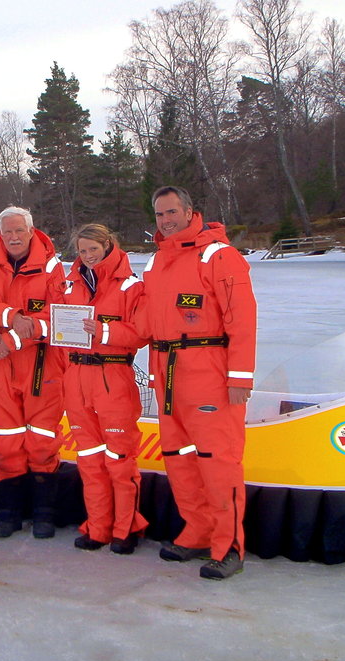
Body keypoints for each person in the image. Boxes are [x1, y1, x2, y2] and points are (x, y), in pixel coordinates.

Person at [136, 186, 257, 580]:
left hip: (210, 375)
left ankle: (229, 547)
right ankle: (198, 530)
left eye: (172, 212)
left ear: (191, 212)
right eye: (159, 214)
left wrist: (239, 377)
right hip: (167, 376)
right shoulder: (157, 262)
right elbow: (145, 323)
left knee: (218, 462)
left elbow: (242, 319)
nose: (166, 220)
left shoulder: (219, 256)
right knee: (180, 459)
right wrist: (100, 334)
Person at [0, 206, 67, 539]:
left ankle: (44, 513)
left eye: (18, 231)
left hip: (42, 366)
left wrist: (9, 339)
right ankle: (7, 512)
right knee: (6, 439)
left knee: (42, 439)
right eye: (7, 232)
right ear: (0, 234)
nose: (13, 237)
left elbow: (59, 319)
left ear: (31, 231)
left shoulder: (53, 268)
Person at [62, 224, 149, 555]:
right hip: (77, 377)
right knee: (89, 460)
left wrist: (103, 331)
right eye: (82, 251)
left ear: (108, 245)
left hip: (113, 376)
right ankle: (97, 528)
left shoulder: (131, 286)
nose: (87, 257)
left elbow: (141, 333)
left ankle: (125, 529)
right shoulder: (70, 285)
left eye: (93, 250)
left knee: (119, 459)